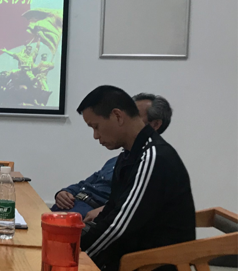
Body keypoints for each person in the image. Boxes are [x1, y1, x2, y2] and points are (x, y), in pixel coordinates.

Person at [76, 86, 194, 271]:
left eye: (96, 126)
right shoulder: (128, 155)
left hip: (151, 268)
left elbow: (118, 226)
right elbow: (112, 210)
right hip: (129, 253)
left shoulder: (154, 157)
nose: (95, 135)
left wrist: (78, 258)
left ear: (117, 116)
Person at [53, 93, 173, 222]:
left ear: (155, 125)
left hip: (91, 214)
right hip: (73, 203)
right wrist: (65, 192)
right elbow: (87, 182)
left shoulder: (153, 162)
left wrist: (106, 211)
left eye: (134, 116)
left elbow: (138, 205)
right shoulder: (119, 159)